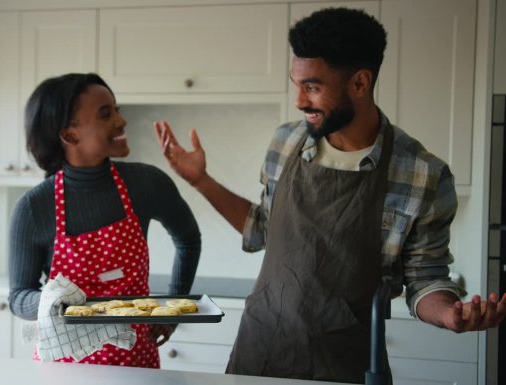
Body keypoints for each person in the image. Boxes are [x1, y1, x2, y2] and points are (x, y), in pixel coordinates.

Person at [154, 7, 506, 384]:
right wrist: (201, 180)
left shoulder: (422, 174)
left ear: (359, 83)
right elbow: (262, 231)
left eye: (313, 87)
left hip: (346, 364)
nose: (299, 101)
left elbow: (425, 281)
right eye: (297, 84)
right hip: (259, 354)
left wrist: (450, 314)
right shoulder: (286, 142)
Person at [8, 73, 201, 368]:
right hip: (65, 368)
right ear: (69, 135)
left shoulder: (146, 184)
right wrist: (52, 301)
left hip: (136, 364)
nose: (121, 121)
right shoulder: (34, 208)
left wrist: (169, 315)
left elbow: (188, 240)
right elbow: (18, 297)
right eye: (105, 114)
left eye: (117, 109)